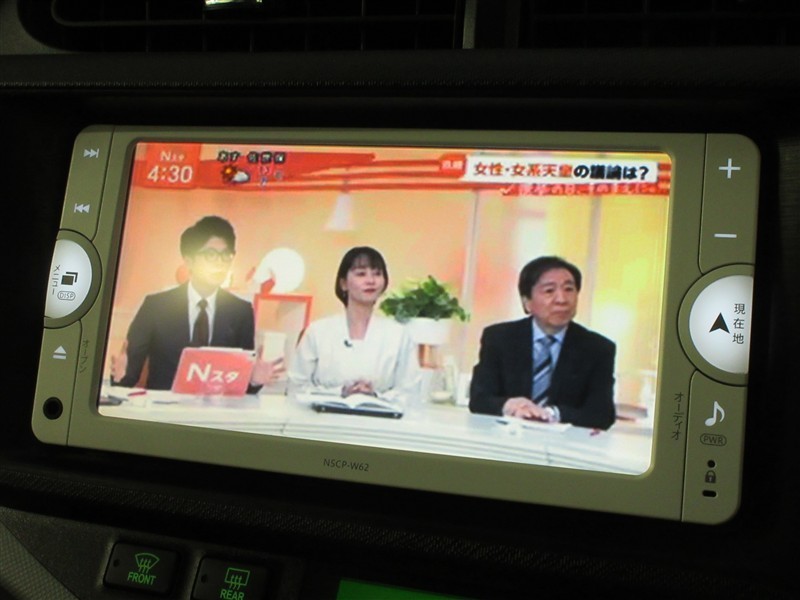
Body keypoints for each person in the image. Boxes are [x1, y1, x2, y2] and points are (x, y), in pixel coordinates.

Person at [111, 215, 283, 390]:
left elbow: (241, 386)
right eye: (210, 255)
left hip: (217, 404)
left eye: (226, 256)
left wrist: (254, 380)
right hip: (164, 404)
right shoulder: (156, 307)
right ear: (189, 260)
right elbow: (128, 376)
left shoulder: (241, 311)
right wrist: (120, 375)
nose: (220, 263)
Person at [469, 256, 616, 430]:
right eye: (549, 291)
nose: (561, 299)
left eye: (569, 289)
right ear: (527, 302)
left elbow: (602, 414)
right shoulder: (499, 338)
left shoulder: (597, 349)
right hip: (506, 437)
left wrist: (551, 413)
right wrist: (511, 406)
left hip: (564, 442)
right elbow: (479, 400)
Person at [288, 246, 420, 402]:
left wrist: (375, 397)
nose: (370, 281)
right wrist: (340, 393)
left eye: (377, 274)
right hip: (324, 414)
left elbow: (410, 391)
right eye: (361, 274)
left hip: (380, 416)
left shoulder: (398, 335)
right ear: (343, 283)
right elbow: (296, 386)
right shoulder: (318, 331)